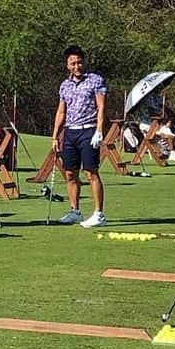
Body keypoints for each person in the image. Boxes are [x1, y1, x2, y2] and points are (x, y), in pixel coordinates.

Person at [51, 45, 107, 227]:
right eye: (73, 63)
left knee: (91, 172)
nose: (77, 66)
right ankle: (75, 211)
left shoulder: (95, 80)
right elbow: (61, 111)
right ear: (67, 65)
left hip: (88, 130)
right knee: (69, 173)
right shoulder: (64, 85)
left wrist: (99, 130)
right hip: (70, 132)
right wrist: (55, 136)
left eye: (79, 62)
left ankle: (99, 214)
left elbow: (101, 107)